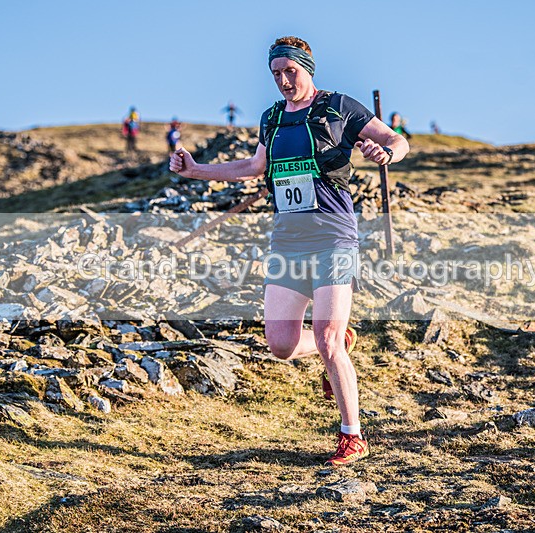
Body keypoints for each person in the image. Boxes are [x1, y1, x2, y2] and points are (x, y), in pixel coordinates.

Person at [169, 36, 409, 466]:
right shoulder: (273, 118)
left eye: (290, 72)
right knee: (280, 344)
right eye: (275, 74)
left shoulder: (339, 107)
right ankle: (333, 344)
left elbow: (395, 138)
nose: (282, 81)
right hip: (287, 241)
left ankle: (352, 435)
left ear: (307, 69)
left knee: (327, 338)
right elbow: (252, 167)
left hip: (333, 236)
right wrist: (197, 170)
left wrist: (386, 151)